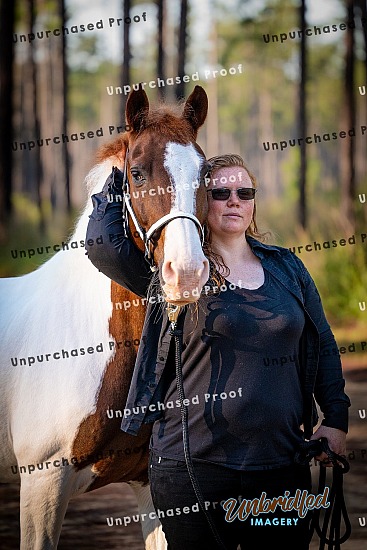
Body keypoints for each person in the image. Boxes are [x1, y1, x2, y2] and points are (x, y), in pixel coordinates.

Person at [85, 153, 350, 550]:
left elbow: (323, 344)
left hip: (280, 464)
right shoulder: (178, 275)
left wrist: (336, 419)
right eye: (220, 192)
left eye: (244, 192)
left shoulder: (288, 268)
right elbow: (104, 247)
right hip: (192, 468)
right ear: (199, 200)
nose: (234, 201)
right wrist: (115, 181)